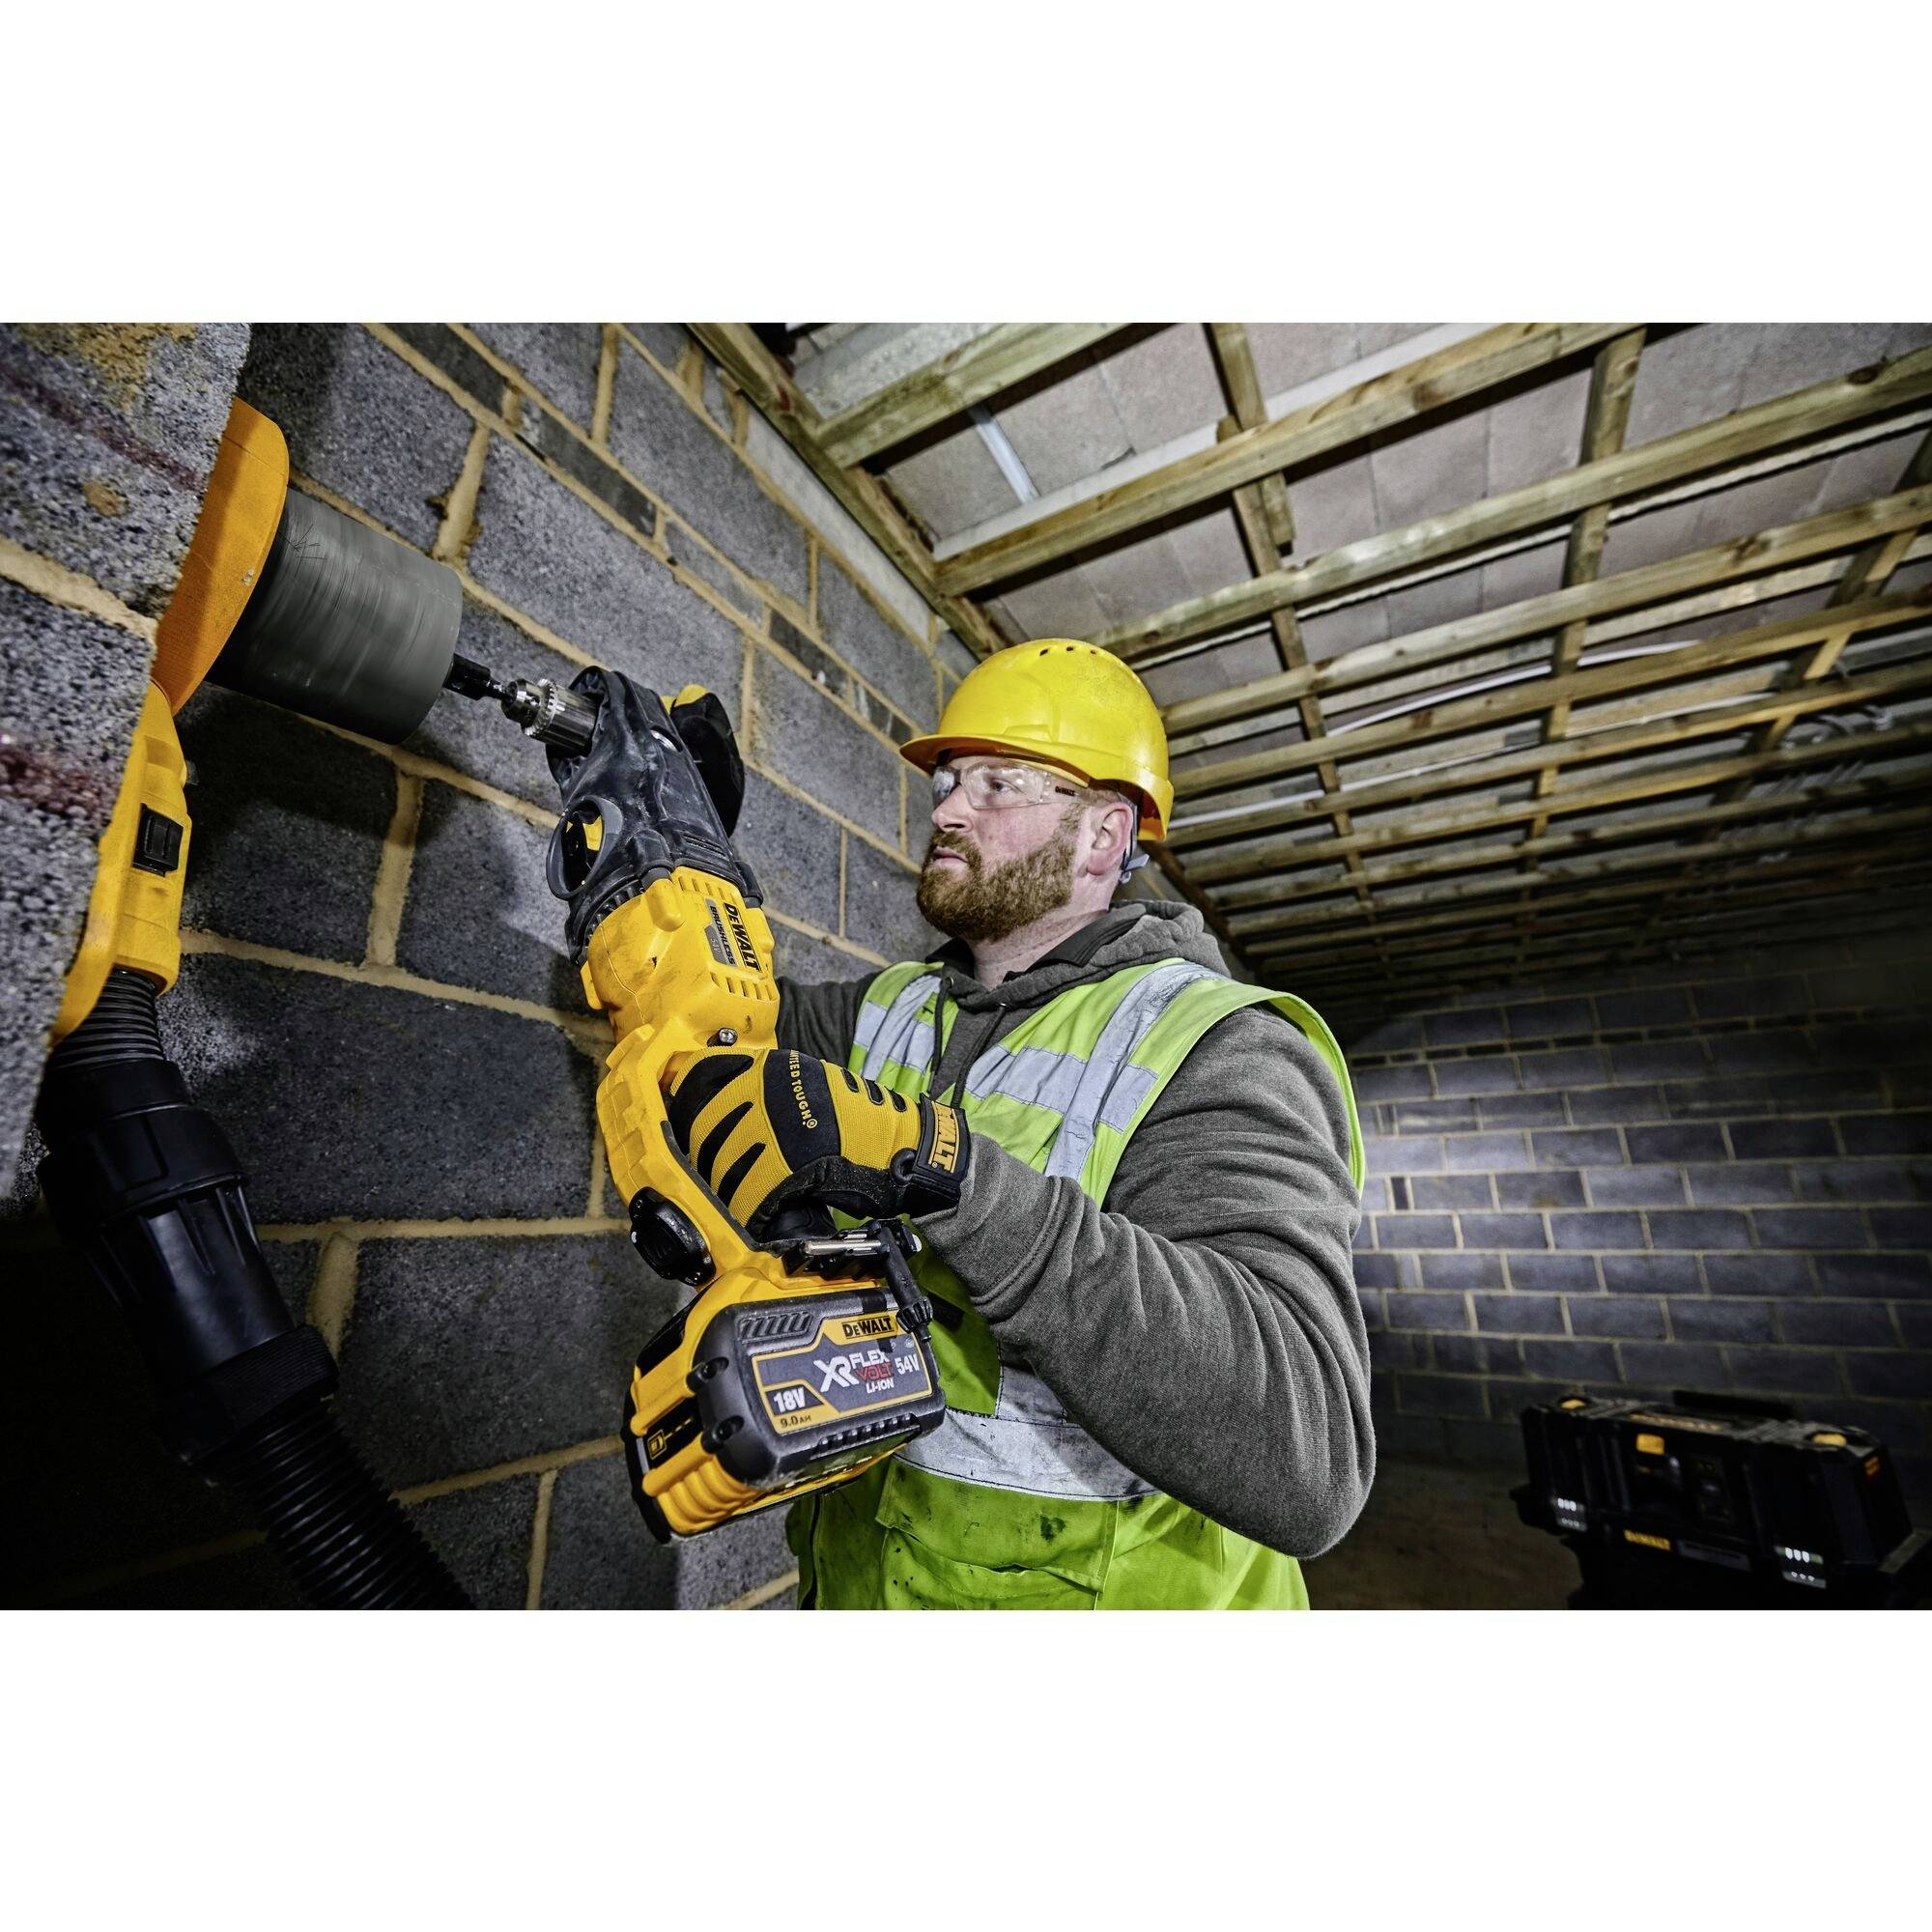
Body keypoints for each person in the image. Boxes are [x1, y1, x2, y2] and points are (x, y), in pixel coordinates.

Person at [666, 639, 1372, 1608]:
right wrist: (674, 862)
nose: (949, 807)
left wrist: (951, 1172)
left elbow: (1308, 1457)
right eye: (949, 780)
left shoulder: (1216, 1046)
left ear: (1101, 837)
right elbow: (708, 1031)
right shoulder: (894, 1006)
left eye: (998, 784)